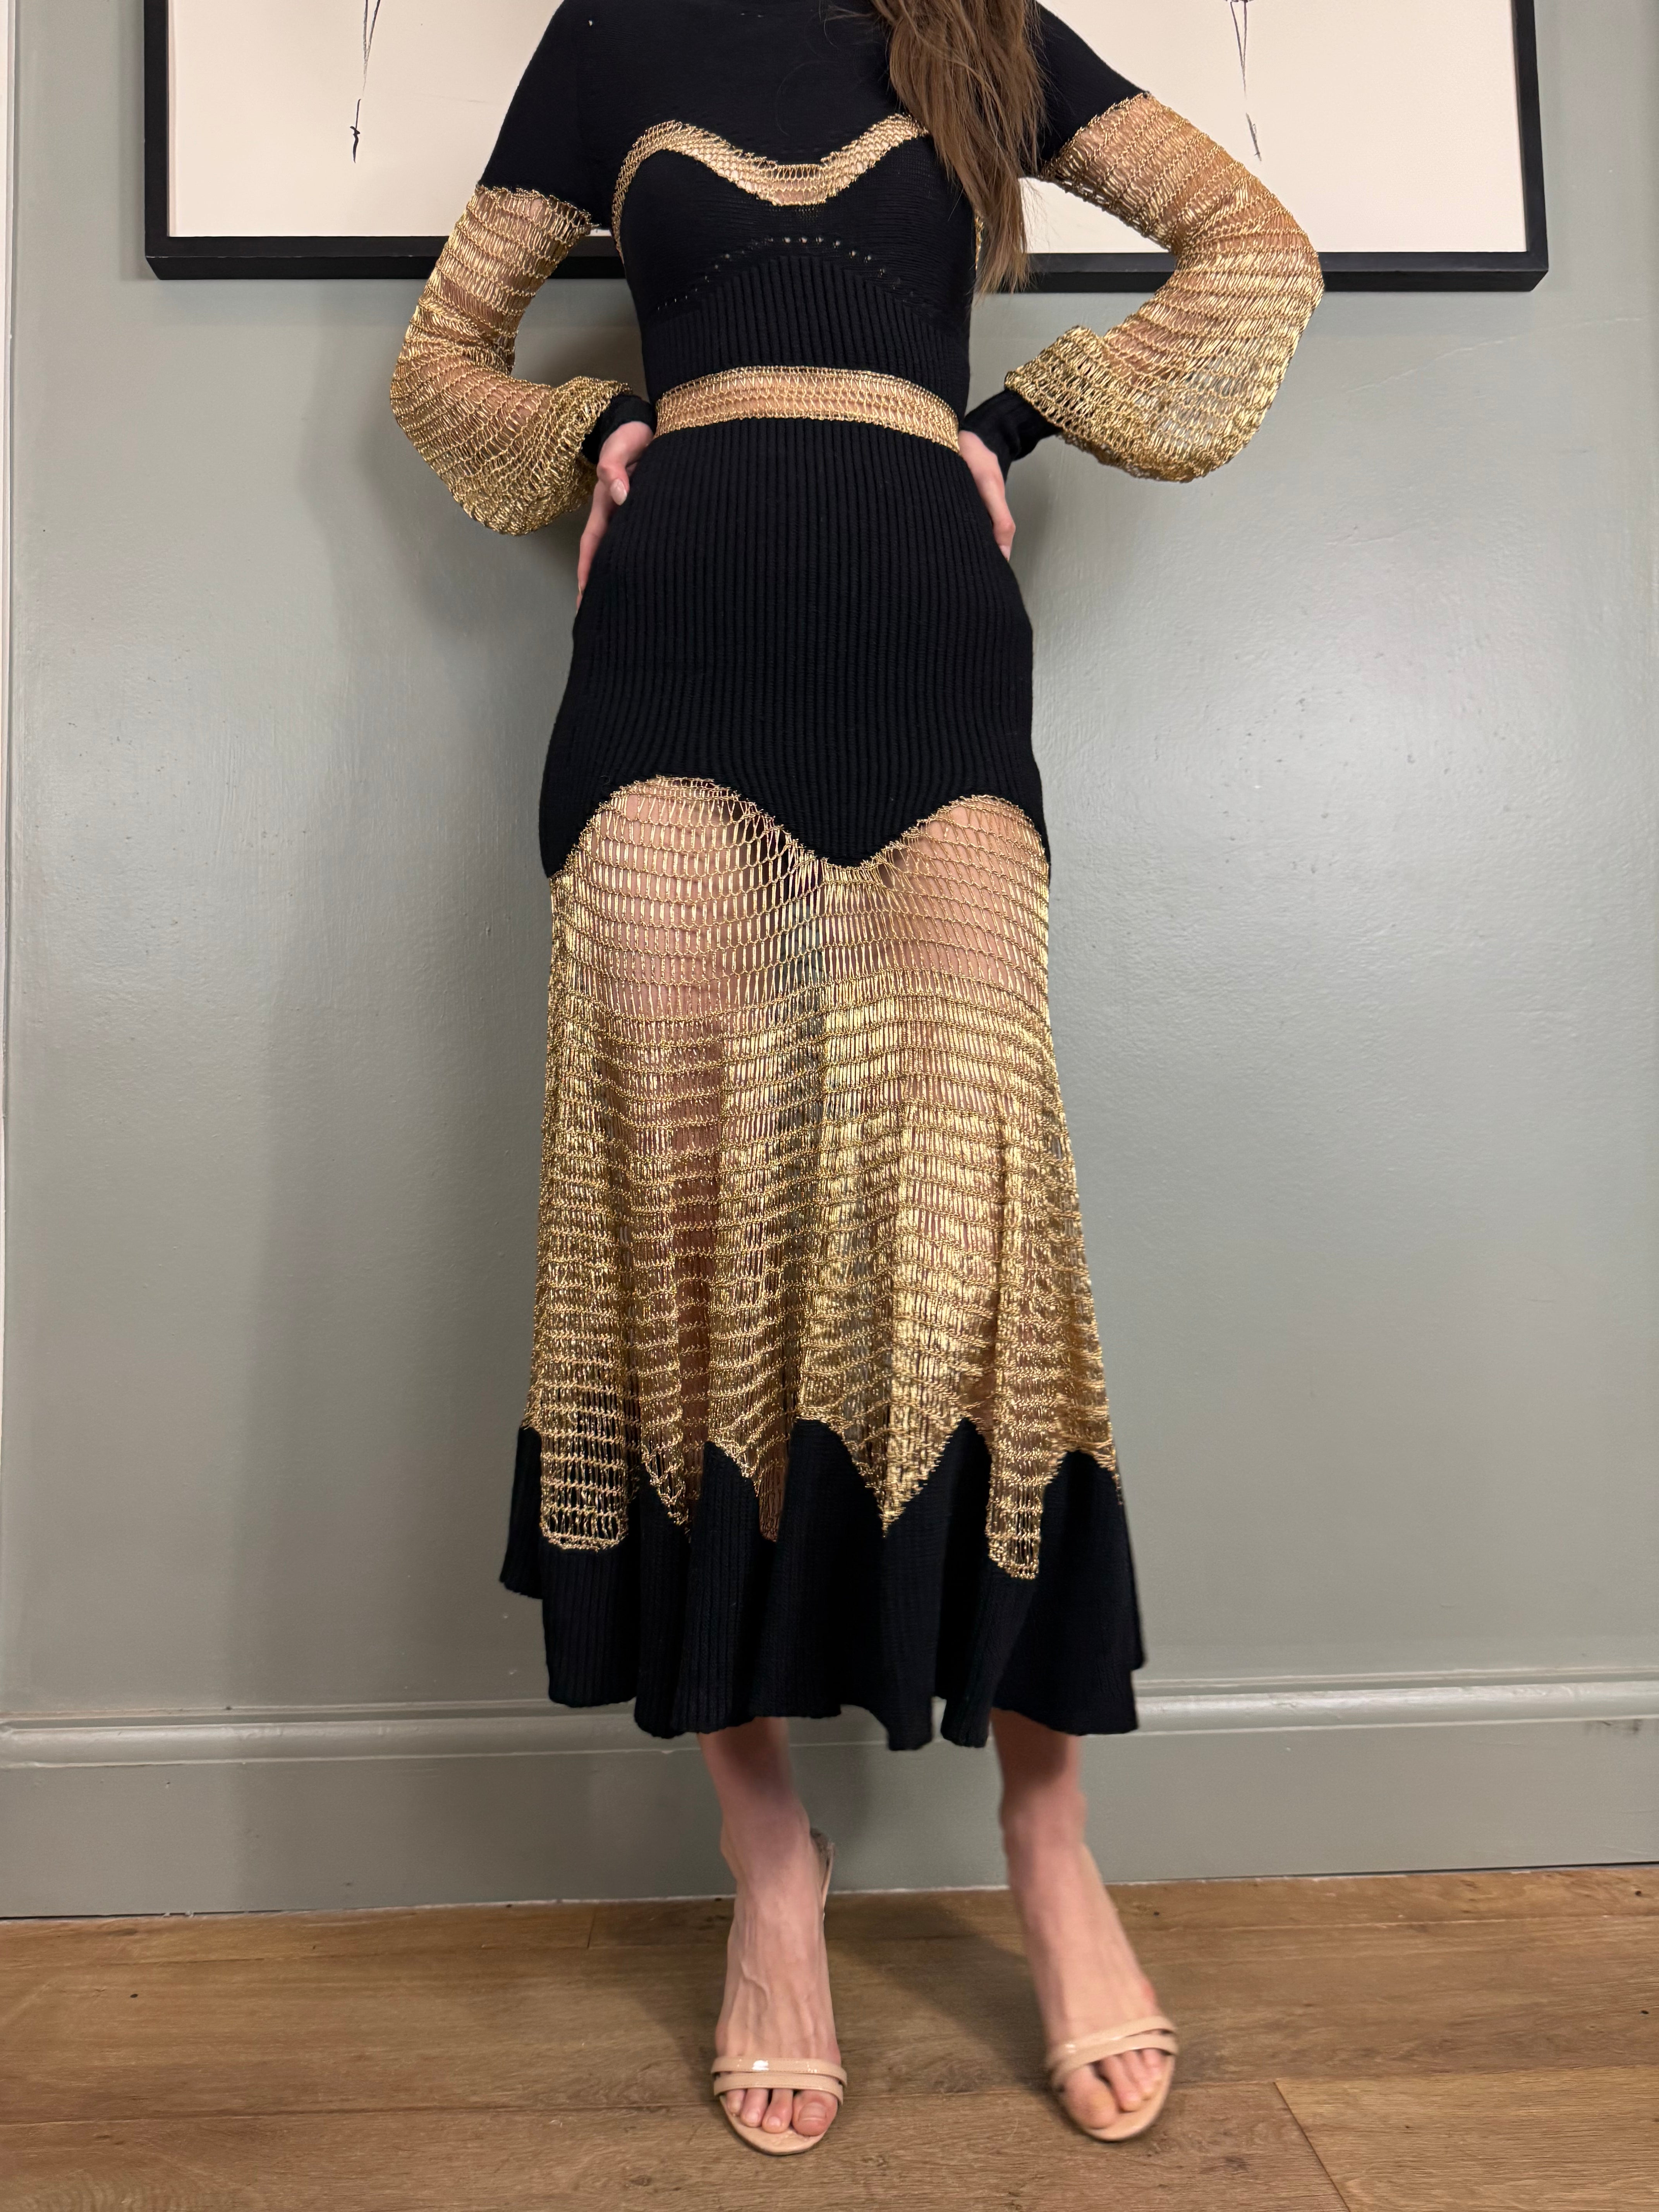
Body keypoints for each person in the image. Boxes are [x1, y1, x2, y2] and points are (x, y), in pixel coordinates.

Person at [392, 0, 1320, 2158]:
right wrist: (595, 433)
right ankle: (771, 1867)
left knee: (973, 1245)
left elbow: (1254, 248)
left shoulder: (985, 32)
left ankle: (1050, 1841)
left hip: (927, 661)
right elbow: (442, 355)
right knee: (680, 1232)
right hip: (666, 672)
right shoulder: (608, 37)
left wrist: (1010, 424)